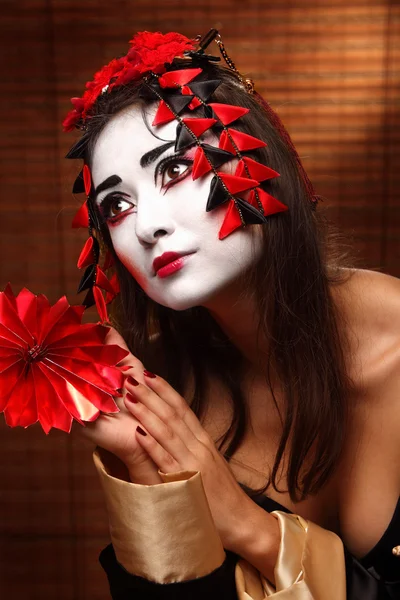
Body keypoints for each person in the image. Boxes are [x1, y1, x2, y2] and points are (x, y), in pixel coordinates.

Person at [64, 29, 400, 598]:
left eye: (172, 170)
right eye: (117, 205)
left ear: (261, 158)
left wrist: (252, 530)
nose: (147, 226)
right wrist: (145, 470)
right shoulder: (166, 399)